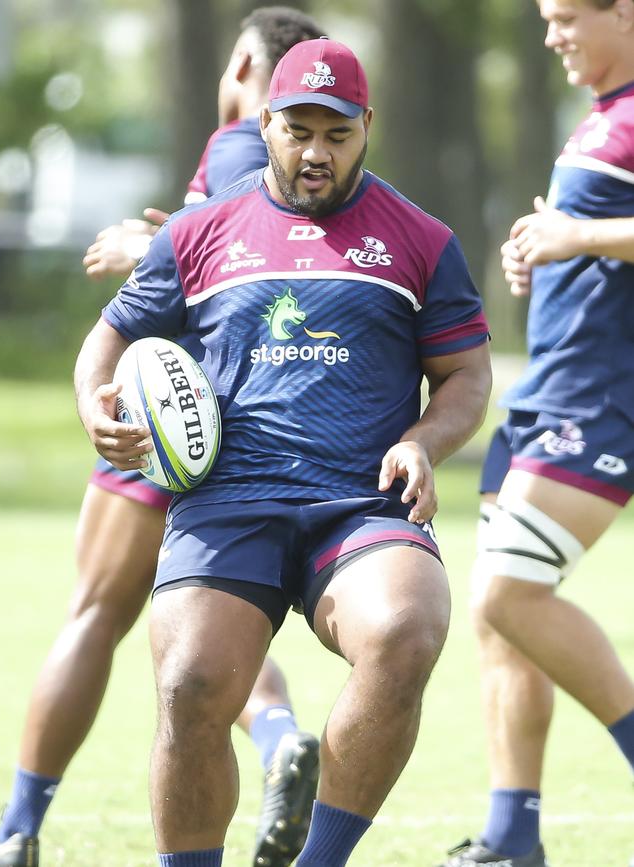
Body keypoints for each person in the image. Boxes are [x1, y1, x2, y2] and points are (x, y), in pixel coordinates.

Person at [73, 36, 491, 867]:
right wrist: (95, 405)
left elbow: (468, 376)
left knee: (408, 629)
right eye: (298, 130)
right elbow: (107, 339)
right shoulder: (199, 233)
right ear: (264, 122)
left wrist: (423, 439)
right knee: (191, 682)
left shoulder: (420, 239)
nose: (316, 153)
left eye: (337, 135)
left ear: (367, 126)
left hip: (361, 500)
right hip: (229, 500)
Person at [0, 10, 328, 867]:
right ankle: (281, 732)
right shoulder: (308, 160)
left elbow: (248, 259)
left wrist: (160, 243)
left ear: (244, 60)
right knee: (212, 633)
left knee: (96, 612)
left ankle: (17, 826)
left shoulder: (243, 144)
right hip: (247, 429)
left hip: (172, 420)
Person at [437, 1, 634, 865]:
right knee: (499, 621)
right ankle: (512, 834)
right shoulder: (599, 120)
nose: (550, 34)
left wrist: (579, 232)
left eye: (564, 16)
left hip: (599, 399)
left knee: (508, 594)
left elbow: (594, 235)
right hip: (543, 392)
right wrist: (545, 247)